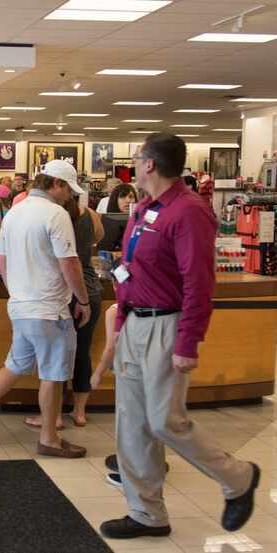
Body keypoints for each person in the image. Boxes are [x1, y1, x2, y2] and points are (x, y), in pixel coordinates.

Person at [100, 134, 259, 540]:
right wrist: (120, 327)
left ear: (150, 164)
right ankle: (146, 513)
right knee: (131, 426)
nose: (134, 164)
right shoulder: (141, 209)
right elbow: (131, 269)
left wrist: (189, 342)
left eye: (137, 158)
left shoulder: (189, 212)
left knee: (165, 421)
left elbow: (199, 284)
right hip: (135, 323)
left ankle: (238, 478)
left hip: (166, 327)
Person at [0, 160, 92, 459]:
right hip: (48, 308)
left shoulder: (14, 212)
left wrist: (17, 293)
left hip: (21, 305)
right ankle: (49, 439)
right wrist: (82, 300)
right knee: (53, 373)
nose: (70, 197)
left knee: (16, 364)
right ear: (56, 184)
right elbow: (69, 263)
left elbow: (2, 260)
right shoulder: (56, 214)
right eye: (68, 190)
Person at [24, 191, 104, 430]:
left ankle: (53, 416)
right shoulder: (90, 214)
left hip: (61, 291)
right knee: (82, 352)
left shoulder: (51, 216)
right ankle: (79, 412)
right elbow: (98, 237)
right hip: (89, 288)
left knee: (54, 356)